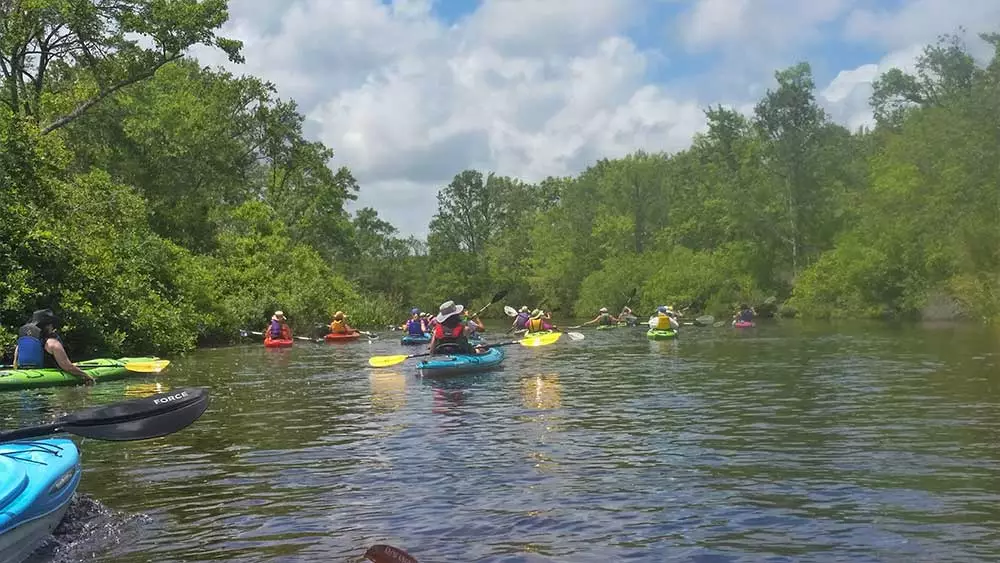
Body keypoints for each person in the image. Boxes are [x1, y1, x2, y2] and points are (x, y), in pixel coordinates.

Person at [13, 309, 95, 385]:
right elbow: (68, 367)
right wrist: (86, 375)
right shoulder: (52, 343)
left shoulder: (21, 344)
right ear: (48, 326)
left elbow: (15, 364)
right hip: (47, 377)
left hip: (24, 374)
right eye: (51, 324)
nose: (53, 327)